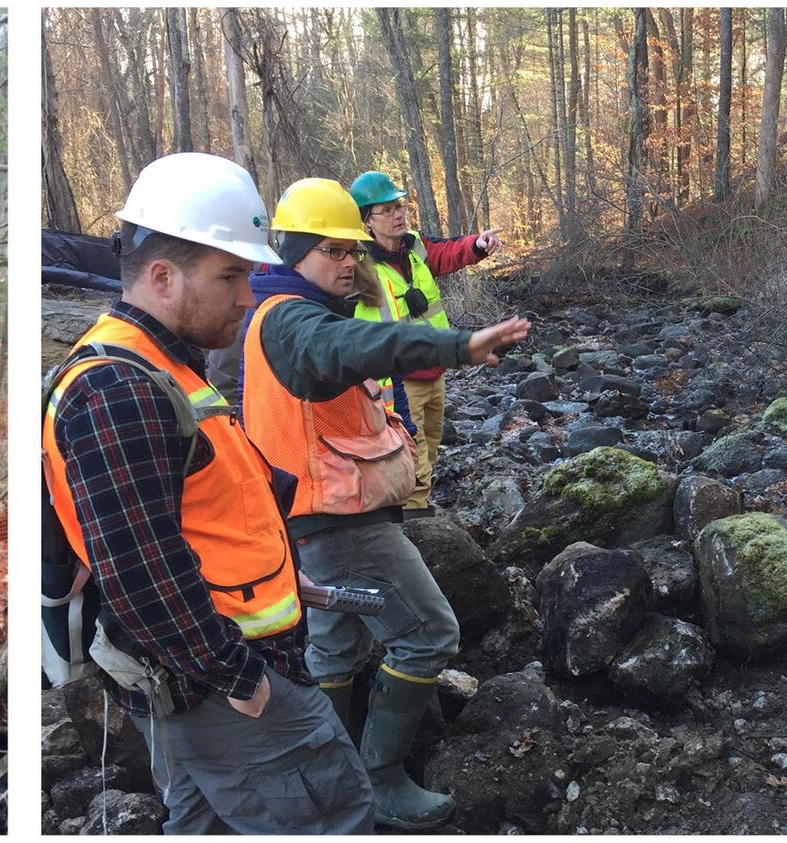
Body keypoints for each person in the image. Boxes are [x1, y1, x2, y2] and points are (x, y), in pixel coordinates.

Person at [43, 152, 374, 834]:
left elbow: (207, 511)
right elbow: (139, 567)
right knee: (335, 817)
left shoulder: (162, 367)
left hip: (209, 671)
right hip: (222, 681)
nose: (248, 295)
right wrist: (237, 677)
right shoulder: (118, 389)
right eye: (231, 275)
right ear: (162, 277)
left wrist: (283, 579)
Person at [239, 176, 529, 829]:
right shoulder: (292, 321)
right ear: (294, 252)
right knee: (429, 634)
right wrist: (460, 345)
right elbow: (348, 349)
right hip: (337, 521)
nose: (348, 262)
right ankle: (379, 777)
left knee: (335, 651)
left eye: (353, 250)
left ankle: (333, 770)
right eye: (331, 251)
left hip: (320, 516)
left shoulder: (288, 313)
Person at [348, 170, 504, 516]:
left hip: (434, 369)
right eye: (386, 210)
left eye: (398, 205)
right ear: (366, 221)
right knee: (408, 448)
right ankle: (414, 515)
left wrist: (476, 245)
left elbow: (448, 251)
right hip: (396, 379)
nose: (398, 213)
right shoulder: (357, 265)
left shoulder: (414, 245)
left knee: (431, 442)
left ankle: (419, 504)